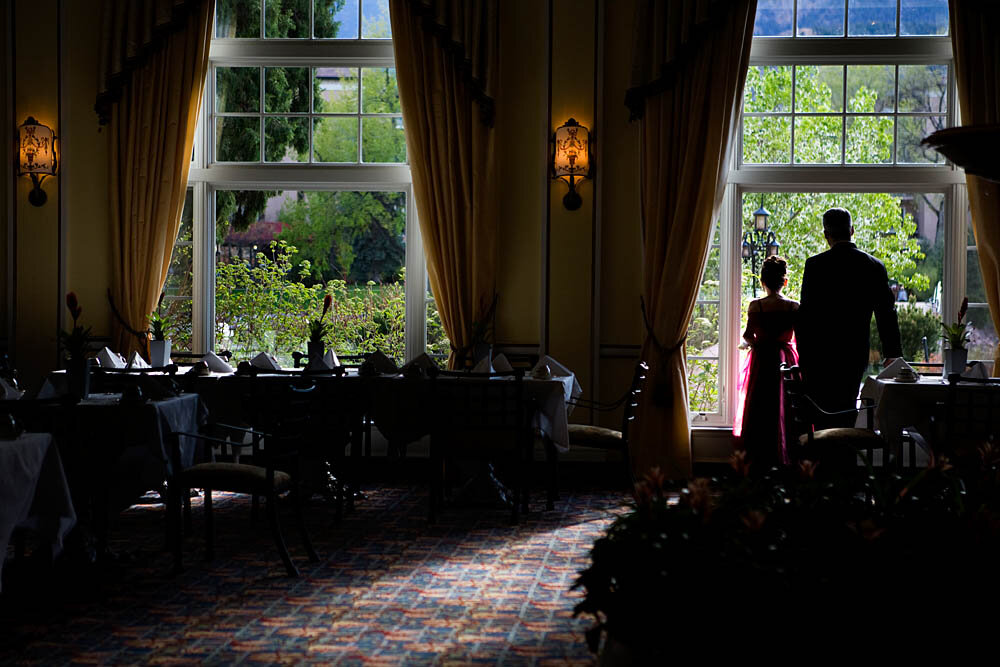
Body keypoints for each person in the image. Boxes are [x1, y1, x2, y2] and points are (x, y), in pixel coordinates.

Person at [796, 207, 902, 427]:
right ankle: (847, 455)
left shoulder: (814, 266)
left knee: (822, 415)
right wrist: (893, 353)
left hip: (819, 357)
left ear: (826, 235)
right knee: (846, 409)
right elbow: (886, 315)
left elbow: (805, 318)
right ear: (852, 230)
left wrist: (803, 358)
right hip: (853, 354)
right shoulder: (873, 266)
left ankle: (823, 456)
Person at [734, 255, 799, 467]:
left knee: (760, 407)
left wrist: (756, 342)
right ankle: (786, 456)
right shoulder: (793, 307)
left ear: (763, 282)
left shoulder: (756, 306)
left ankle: (758, 458)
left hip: (762, 359)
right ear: (785, 282)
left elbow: (747, 335)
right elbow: (800, 336)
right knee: (786, 406)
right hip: (785, 360)